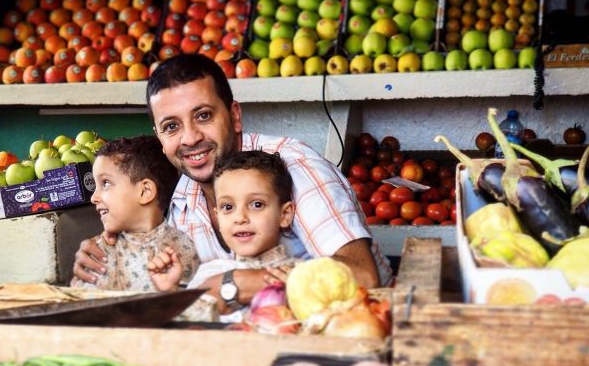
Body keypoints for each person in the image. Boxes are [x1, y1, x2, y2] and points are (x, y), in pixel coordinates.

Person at [73, 54, 392, 306]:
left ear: (235, 116)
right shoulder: (185, 194)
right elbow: (178, 282)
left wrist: (232, 285)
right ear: (160, 137)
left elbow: (364, 277)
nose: (190, 138)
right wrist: (110, 262)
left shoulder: (294, 168)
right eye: (172, 126)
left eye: (203, 116)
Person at [148, 150, 302, 318]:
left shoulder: (301, 275)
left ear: (285, 215)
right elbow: (190, 323)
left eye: (257, 204)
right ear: (217, 216)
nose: (240, 218)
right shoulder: (209, 273)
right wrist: (172, 291)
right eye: (228, 207)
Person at [70, 135, 199, 291]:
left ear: (145, 191)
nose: (94, 198)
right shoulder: (99, 252)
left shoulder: (183, 247)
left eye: (105, 183)